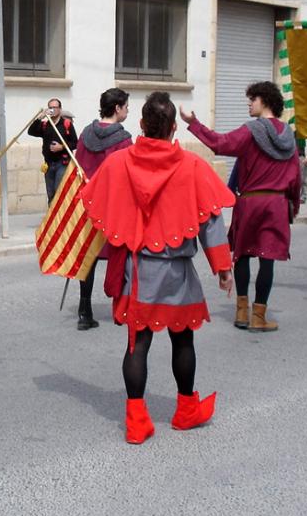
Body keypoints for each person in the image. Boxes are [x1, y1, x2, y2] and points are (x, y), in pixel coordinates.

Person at [80, 92, 235, 445]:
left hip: (137, 271)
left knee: (138, 343)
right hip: (177, 271)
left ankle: (136, 420)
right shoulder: (193, 166)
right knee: (183, 338)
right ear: (174, 127)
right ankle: (185, 410)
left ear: (141, 125)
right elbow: (212, 220)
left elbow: (93, 203)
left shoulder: (118, 163)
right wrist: (222, 267)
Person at [180, 81, 300, 332]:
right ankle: (259, 315)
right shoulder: (289, 136)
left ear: (264, 101)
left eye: (252, 99)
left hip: (250, 201)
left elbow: (220, 144)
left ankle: (242, 312)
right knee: (268, 260)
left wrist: (194, 123)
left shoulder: (251, 130)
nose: (249, 103)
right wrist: (293, 205)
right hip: (276, 203)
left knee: (243, 254)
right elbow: (295, 174)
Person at [73, 88, 133, 330]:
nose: (128, 110)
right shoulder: (124, 139)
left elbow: (78, 165)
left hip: (89, 204)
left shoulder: (86, 133)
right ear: (117, 108)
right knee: (121, 257)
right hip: (113, 205)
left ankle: (84, 311)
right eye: (126, 106)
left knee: (89, 258)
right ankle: (121, 310)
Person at [29, 97, 78, 203]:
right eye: (50, 108)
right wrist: (39, 118)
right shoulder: (45, 125)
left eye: (55, 107)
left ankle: (59, 218)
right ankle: (51, 218)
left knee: (59, 191)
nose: (53, 110)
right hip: (49, 163)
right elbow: (31, 131)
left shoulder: (66, 124)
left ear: (60, 109)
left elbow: (75, 143)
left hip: (62, 163)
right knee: (50, 193)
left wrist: (62, 147)